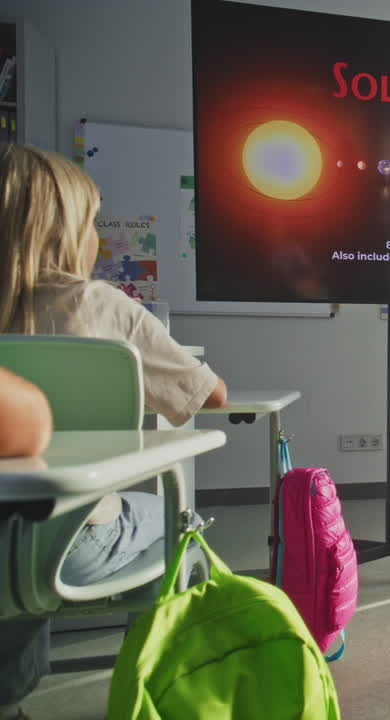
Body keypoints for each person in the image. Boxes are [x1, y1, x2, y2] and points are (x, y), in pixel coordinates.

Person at [0, 143, 230, 718]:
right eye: (93, 221)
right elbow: (210, 394)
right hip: (73, 547)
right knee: (180, 525)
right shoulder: (99, 306)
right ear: (68, 230)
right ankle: (151, 692)